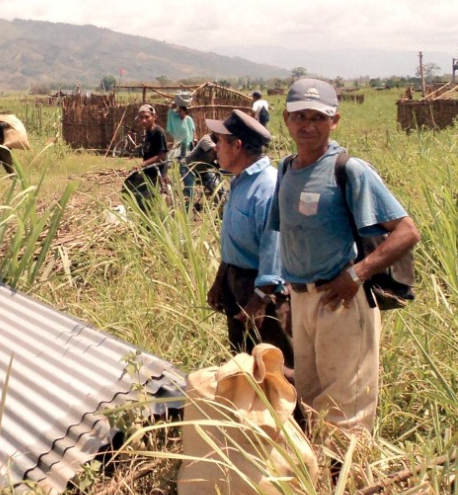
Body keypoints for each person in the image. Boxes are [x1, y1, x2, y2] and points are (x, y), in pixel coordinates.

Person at [269, 78, 420, 433]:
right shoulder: (287, 170)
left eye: (317, 117)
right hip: (303, 299)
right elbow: (288, 238)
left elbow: (407, 231)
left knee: (344, 406)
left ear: (334, 120)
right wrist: (290, 293)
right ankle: (317, 480)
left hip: (341, 299)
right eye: (299, 116)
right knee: (308, 394)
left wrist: (357, 273)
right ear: (286, 120)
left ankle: (348, 480)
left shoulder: (349, 170)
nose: (308, 125)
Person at [204, 111, 292, 370]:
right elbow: (235, 238)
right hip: (237, 281)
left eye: (220, 141)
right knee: (243, 363)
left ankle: (290, 412)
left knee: (275, 368)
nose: (216, 148)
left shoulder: (268, 186)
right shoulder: (241, 180)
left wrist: (259, 301)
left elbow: (274, 249)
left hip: (262, 291)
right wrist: (221, 279)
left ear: (237, 145)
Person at [123, 104, 169, 209]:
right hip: (148, 171)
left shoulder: (158, 133)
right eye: (141, 117)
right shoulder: (148, 132)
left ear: (154, 117)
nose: (144, 120)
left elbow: (161, 155)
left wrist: (143, 164)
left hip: (157, 172)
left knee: (154, 201)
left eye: (147, 117)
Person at [168, 97, 197, 201]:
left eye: (181, 111)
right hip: (180, 146)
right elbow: (171, 115)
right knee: (179, 166)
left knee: (184, 167)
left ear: (185, 111)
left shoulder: (188, 119)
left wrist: (194, 139)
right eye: (178, 111)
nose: (179, 113)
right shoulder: (176, 119)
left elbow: (193, 130)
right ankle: (187, 188)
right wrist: (172, 106)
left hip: (188, 146)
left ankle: (190, 190)